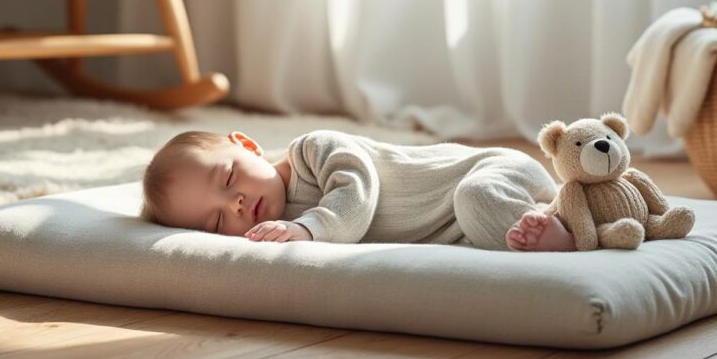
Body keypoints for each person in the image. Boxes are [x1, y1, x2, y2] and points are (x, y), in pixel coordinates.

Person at [140, 129, 576, 252]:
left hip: (484, 173)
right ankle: (551, 227)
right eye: (217, 221)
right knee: (482, 234)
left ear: (250, 146)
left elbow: (358, 191)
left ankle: (569, 232)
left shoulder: (313, 151)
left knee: (476, 201)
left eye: (229, 179)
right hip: (457, 227)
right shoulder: (278, 230)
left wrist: (310, 229)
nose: (234, 204)